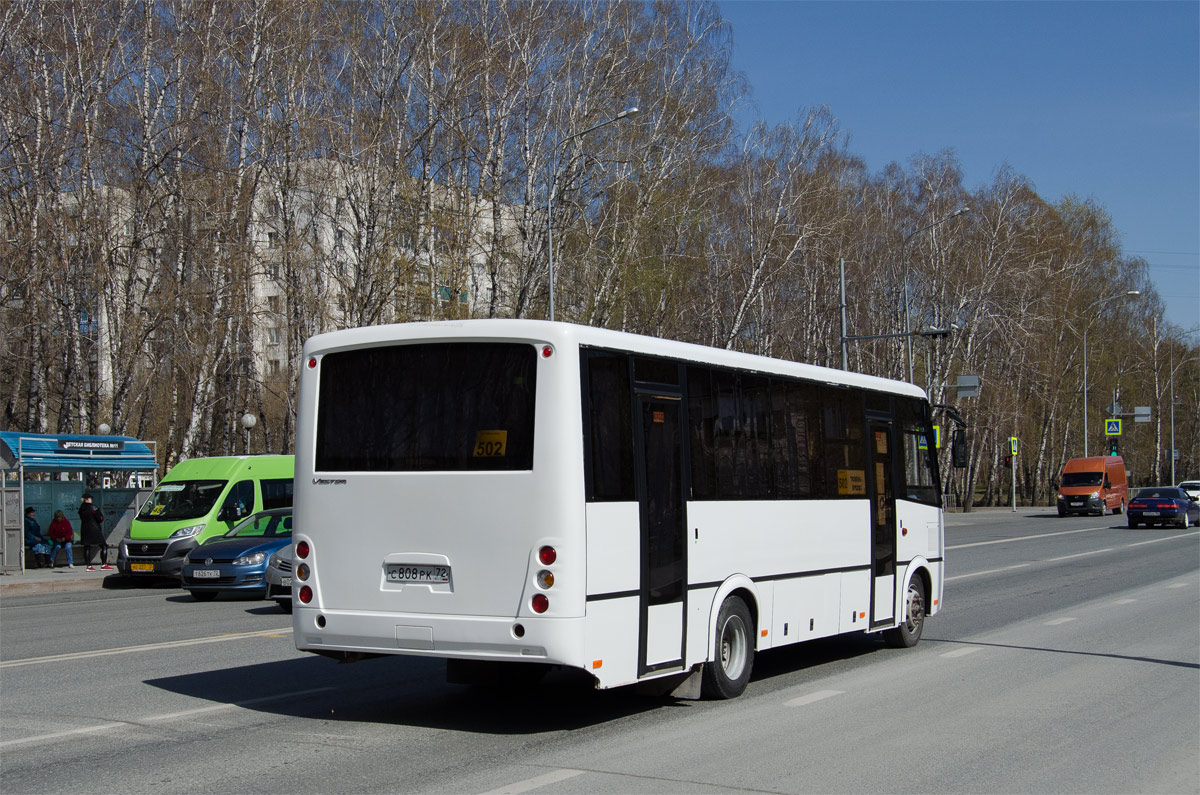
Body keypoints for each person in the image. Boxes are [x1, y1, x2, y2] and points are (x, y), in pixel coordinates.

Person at [78, 493, 110, 571]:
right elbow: (100, 518)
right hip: (94, 529)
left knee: (87, 546)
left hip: (85, 529)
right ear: (88, 499)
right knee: (104, 546)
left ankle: (88, 566)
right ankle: (103, 564)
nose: (91, 500)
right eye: (90, 498)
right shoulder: (93, 507)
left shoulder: (81, 508)